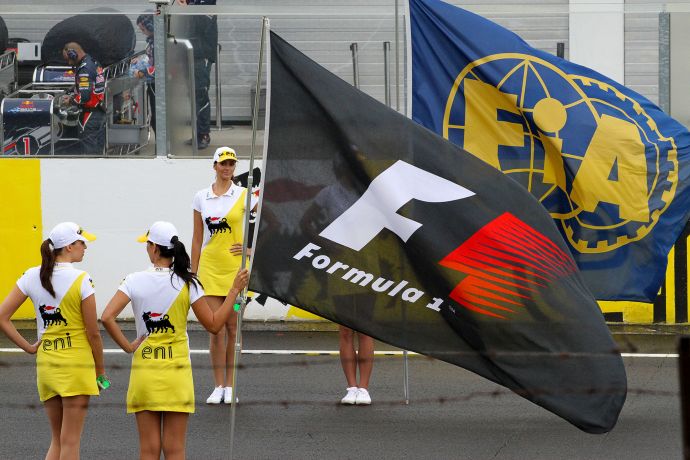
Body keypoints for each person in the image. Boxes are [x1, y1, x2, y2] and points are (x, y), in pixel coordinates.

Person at [101, 221, 249, 460]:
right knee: (176, 450)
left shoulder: (133, 279)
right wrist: (233, 293)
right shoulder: (189, 282)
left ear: (155, 248)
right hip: (177, 375)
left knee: (148, 451)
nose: (146, 249)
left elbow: (107, 317)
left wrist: (128, 347)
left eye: (147, 244)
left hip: (145, 373)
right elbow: (214, 325)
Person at [0, 222, 106, 459]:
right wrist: (100, 372)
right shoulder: (82, 279)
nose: (85, 247)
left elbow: (2, 316)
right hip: (76, 366)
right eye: (81, 242)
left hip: (47, 364)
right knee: (70, 442)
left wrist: (29, 348)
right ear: (69, 247)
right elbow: (94, 333)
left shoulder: (31, 275)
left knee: (57, 440)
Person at [299, 156, 375, 405]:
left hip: (366, 265)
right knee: (345, 330)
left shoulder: (370, 193)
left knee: (365, 328)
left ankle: (364, 388)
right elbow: (305, 223)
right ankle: (351, 386)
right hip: (340, 266)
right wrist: (327, 244)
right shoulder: (328, 194)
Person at [192, 147, 256, 404]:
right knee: (215, 329)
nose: (227, 168)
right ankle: (218, 385)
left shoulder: (246, 194)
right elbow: (197, 238)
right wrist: (193, 272)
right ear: (215, 166)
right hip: (209, 268)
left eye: (231, 164)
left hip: (235, 269)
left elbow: (268, 223)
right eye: (223, 164)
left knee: (232, 327)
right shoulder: (201, 197)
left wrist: (251, 249)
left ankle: (231, 385)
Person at [178, 0, 218, 150]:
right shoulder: (191, 4)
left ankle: (204, 134)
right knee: (193, 94)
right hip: (190, 53)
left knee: (201, 93)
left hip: (202, 55)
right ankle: (198, 132)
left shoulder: (206, 3)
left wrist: (187, 9)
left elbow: (202, 24)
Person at [62, 42, 106, 155]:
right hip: (99, 112)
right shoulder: (93, 62)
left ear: (73, 54)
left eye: (68, 59)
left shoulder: (84, 68)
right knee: (98, 151)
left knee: (90, 152)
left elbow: (85, 96)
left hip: (90, 115)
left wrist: (70, 100)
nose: (69, 62)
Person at [132, 14, 156, 133]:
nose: (142, 32)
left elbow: (161, 66)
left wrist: (142, 72)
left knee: (157, 118)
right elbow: (151, 59)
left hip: (158, 87)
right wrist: (141, 60)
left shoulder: (159, 43)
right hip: (153, 84)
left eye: (143, 29)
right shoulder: (152, 41)